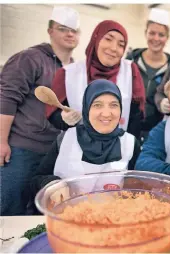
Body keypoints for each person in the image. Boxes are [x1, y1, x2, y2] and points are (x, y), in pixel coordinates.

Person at [0, 6, 80, 215]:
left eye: (74, 30)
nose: (70, 34)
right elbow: (6, 98)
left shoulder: (74, 69)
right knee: (9, 209)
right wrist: (1, 141)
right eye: (63, 28)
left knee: (38, 213)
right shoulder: (29, 58)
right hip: (20, 151)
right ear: (50, 31)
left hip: (53, 154)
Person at [29, 79, 139, 207]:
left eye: (114, 105)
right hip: (67, 219)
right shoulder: (66, 139)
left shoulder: (130, 144)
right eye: (97, 105)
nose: (106, 113)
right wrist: (52, 184)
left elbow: (140, 189)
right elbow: (35, 181)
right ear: (86, 109)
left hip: (112, 221)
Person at [46, 20, 146, 140]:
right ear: (96, 39)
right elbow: (53, 114)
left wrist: (128, 148)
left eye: (121, 44)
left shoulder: (130, 71)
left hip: (118, 150)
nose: (114, 48)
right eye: (108, 39)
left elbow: (136, 117)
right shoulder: (68, 73)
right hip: (78, 149)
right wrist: (64, 118)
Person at [126, 8, 170, 142]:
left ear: (167, 38)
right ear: (146, 33)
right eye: (152, 33)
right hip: (128, 128)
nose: (156, 38)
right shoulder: (131, 60)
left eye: (161, 34)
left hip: (156, 132)